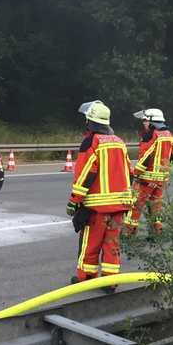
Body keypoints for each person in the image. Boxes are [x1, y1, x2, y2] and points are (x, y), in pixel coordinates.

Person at [66, 101, 133, 292]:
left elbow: (85, 174)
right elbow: (130, 172)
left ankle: (86, 278)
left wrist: (74, 201)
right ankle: (110, 282)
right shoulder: (119, 142)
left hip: (97, 208)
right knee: (112, 245)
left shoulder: (91, 142)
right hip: (120, 207)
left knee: (91, 245)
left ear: (89, 121)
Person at [124, 108, 173, 237]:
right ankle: (156, 232)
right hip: (161, 179)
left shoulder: (151, 135)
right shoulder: (168, 135)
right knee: (156, 205)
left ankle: (129, 232)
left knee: (136, 205)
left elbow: (146, 157)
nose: (143, 123)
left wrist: (136, 173)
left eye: (145, 120)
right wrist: (166, 171)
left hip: (146, 179)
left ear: (152, 121)